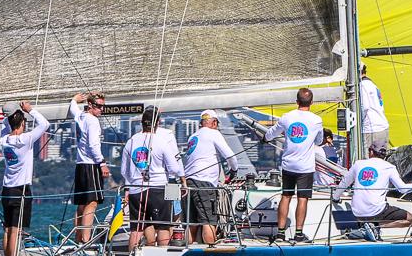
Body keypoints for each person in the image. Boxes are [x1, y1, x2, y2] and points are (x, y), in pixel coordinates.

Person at [256, 88, 323, 242]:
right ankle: (298, 234)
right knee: (302, 199)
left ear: (297, 101)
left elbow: (272, 132)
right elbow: (319, 141)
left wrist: (265, 138)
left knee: (286, 197)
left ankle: (280, 233)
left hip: (288, 166)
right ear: (311, 103)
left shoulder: (287, 117)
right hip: (305, 167)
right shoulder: (316, 120)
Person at [182, 109, 248, 245]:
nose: (217, 126)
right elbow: (230, 156)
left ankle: (187, 252)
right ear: (213, 122)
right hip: (204, 183)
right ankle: (210, 253)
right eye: (217, 123)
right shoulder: (213, 133)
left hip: (188, 183)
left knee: (191, 223)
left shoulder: (193, 137)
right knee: (209, 221)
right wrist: (234, 171)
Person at [0, 101, 50, 256]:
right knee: (15, 231)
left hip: (7, 189)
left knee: (7, 230)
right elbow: (45, 124)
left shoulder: (4, 140)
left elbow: (5, 124)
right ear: (22, 123)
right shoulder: (25, 140)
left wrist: (12, 113)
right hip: (21, 190)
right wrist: (30, 110)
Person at [120, 106, 181, 247]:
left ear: (141, 123)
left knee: (136, 230)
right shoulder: (161, 141)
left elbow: (124, 171)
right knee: (163, 227)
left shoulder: (131, 141)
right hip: (158, 189)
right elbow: (174, 169)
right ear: (157, 123)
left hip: (136, 190)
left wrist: (135, 178)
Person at [338, 143, 412, 229]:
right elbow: (402, 189)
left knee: (378, 210)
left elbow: (344, 182)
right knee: (410, 219)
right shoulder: (389, 167)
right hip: (376, 212)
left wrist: (335, 198)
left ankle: (367, 227)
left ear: (372, 152)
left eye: (369, 150)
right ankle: (376, 227)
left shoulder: (358, 164)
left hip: (357, 212)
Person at [68, 91, 110, 246]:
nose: (102, 110)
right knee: (92, 203)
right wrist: (102, 163)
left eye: (103, 106)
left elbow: (73, 109)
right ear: (91, 105)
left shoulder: (80, 116)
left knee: (81, 204)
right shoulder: (92, 121)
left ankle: (78, 239)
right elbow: (93, 145)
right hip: (91, 165)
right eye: (99, 106)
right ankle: (86, 240)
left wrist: (74, 100)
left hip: (80, 165)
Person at [359, 66, 389, 152]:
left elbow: (365, 107)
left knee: (366, 161)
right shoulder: (373, 85)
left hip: (371, 130)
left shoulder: (362, 85)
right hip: (383, 127)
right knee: (381, 159)